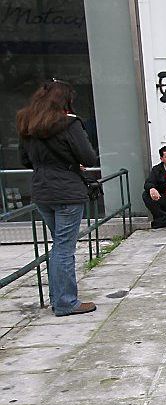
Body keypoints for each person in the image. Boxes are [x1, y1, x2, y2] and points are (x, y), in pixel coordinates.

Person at [16, 79, 99, 317]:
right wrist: (71, 163)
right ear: (65, 101)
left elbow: (25, 160)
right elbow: (88, 156)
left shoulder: (26, 122)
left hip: (42, 191)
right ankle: (65, 302)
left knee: (58, 246)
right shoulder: (69, 124)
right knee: (64, 248)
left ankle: (58, 299)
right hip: (67, 190)